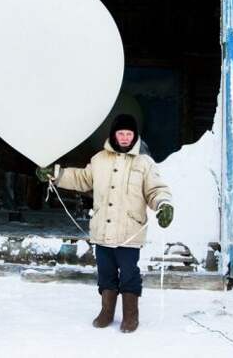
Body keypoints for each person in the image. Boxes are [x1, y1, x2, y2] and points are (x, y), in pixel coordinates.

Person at [36, 114, 174, 333]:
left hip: (129, 232)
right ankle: (106, 312)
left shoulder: (144, 163)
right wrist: (56, 174)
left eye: (129, 133)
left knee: (129, 274)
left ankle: (130, 315)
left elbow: (156, 190)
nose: (126, 137)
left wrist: (164, 205)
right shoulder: (99, 159)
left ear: (135, 136)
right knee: (106, 273)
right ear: (114, 135)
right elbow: (82, 179)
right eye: (122, 133)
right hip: (102, 230)